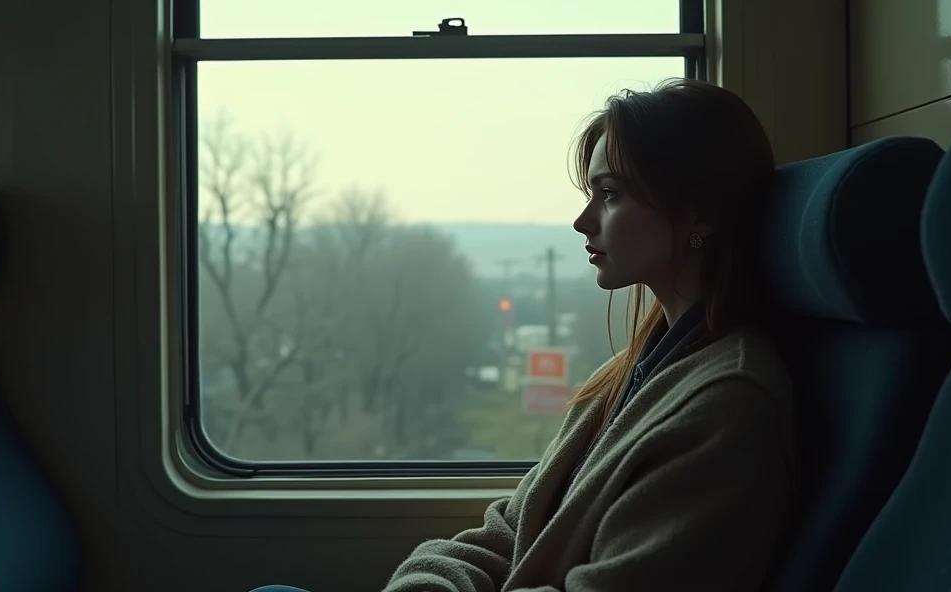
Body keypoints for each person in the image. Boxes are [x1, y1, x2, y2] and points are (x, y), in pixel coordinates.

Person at [254, 78, 798, 592]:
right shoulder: (638, 369)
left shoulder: (727, 404)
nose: (583, 221)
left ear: (699, 216)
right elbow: (514, 529)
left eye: (610, 194)